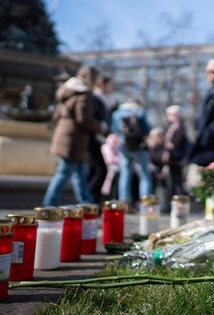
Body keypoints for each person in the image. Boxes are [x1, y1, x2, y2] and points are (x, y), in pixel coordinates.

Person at [42, 65, 105, 206]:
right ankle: (49, 206)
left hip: (64, 135)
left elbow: (56, 116)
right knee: (64, 173)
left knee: (79, 175)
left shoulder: (66, 90)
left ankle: (87, 205)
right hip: (73, 139)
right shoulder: (83, 93)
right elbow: (83, 119)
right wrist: (100, 128)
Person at [111, 98, 153, 209]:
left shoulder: (116, 114)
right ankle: (146, 202)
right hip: (139, 147)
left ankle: (124, 202)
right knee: (144, 175)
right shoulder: (139, 111)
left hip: (124, 147)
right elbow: (147, 129)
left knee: (125, 174)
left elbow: (114, 131)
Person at [88, 75, 114, 203]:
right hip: (93, 139)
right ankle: (90, 201)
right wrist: (101, 128)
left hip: (97, 139)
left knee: (95, 171)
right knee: (100, 170)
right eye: (110, 84)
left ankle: (90, 202)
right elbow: (93, 117)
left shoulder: (102, 99)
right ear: (102, 84)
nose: (112, 87)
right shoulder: (96, 98)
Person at [162, 105, 188, 213]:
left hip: (175, 159)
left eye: (170, 114)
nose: (169, 117)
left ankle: (175, 206)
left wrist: (167, 147)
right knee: (175, 182)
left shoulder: (177, 127)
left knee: (175, 183)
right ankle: (175, 205)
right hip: (176, 159)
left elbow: (172, 145)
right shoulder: (178, 126)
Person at [147, 127, 167, 209]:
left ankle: (165, 205)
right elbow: (148, 162)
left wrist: (163, 172)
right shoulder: (149, 148)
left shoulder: (165, 148)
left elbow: (167, 163)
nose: (159, 138)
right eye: (157, 136)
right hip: (153, 170)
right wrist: (155, 172)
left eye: (160, 136)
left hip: (163, 171)